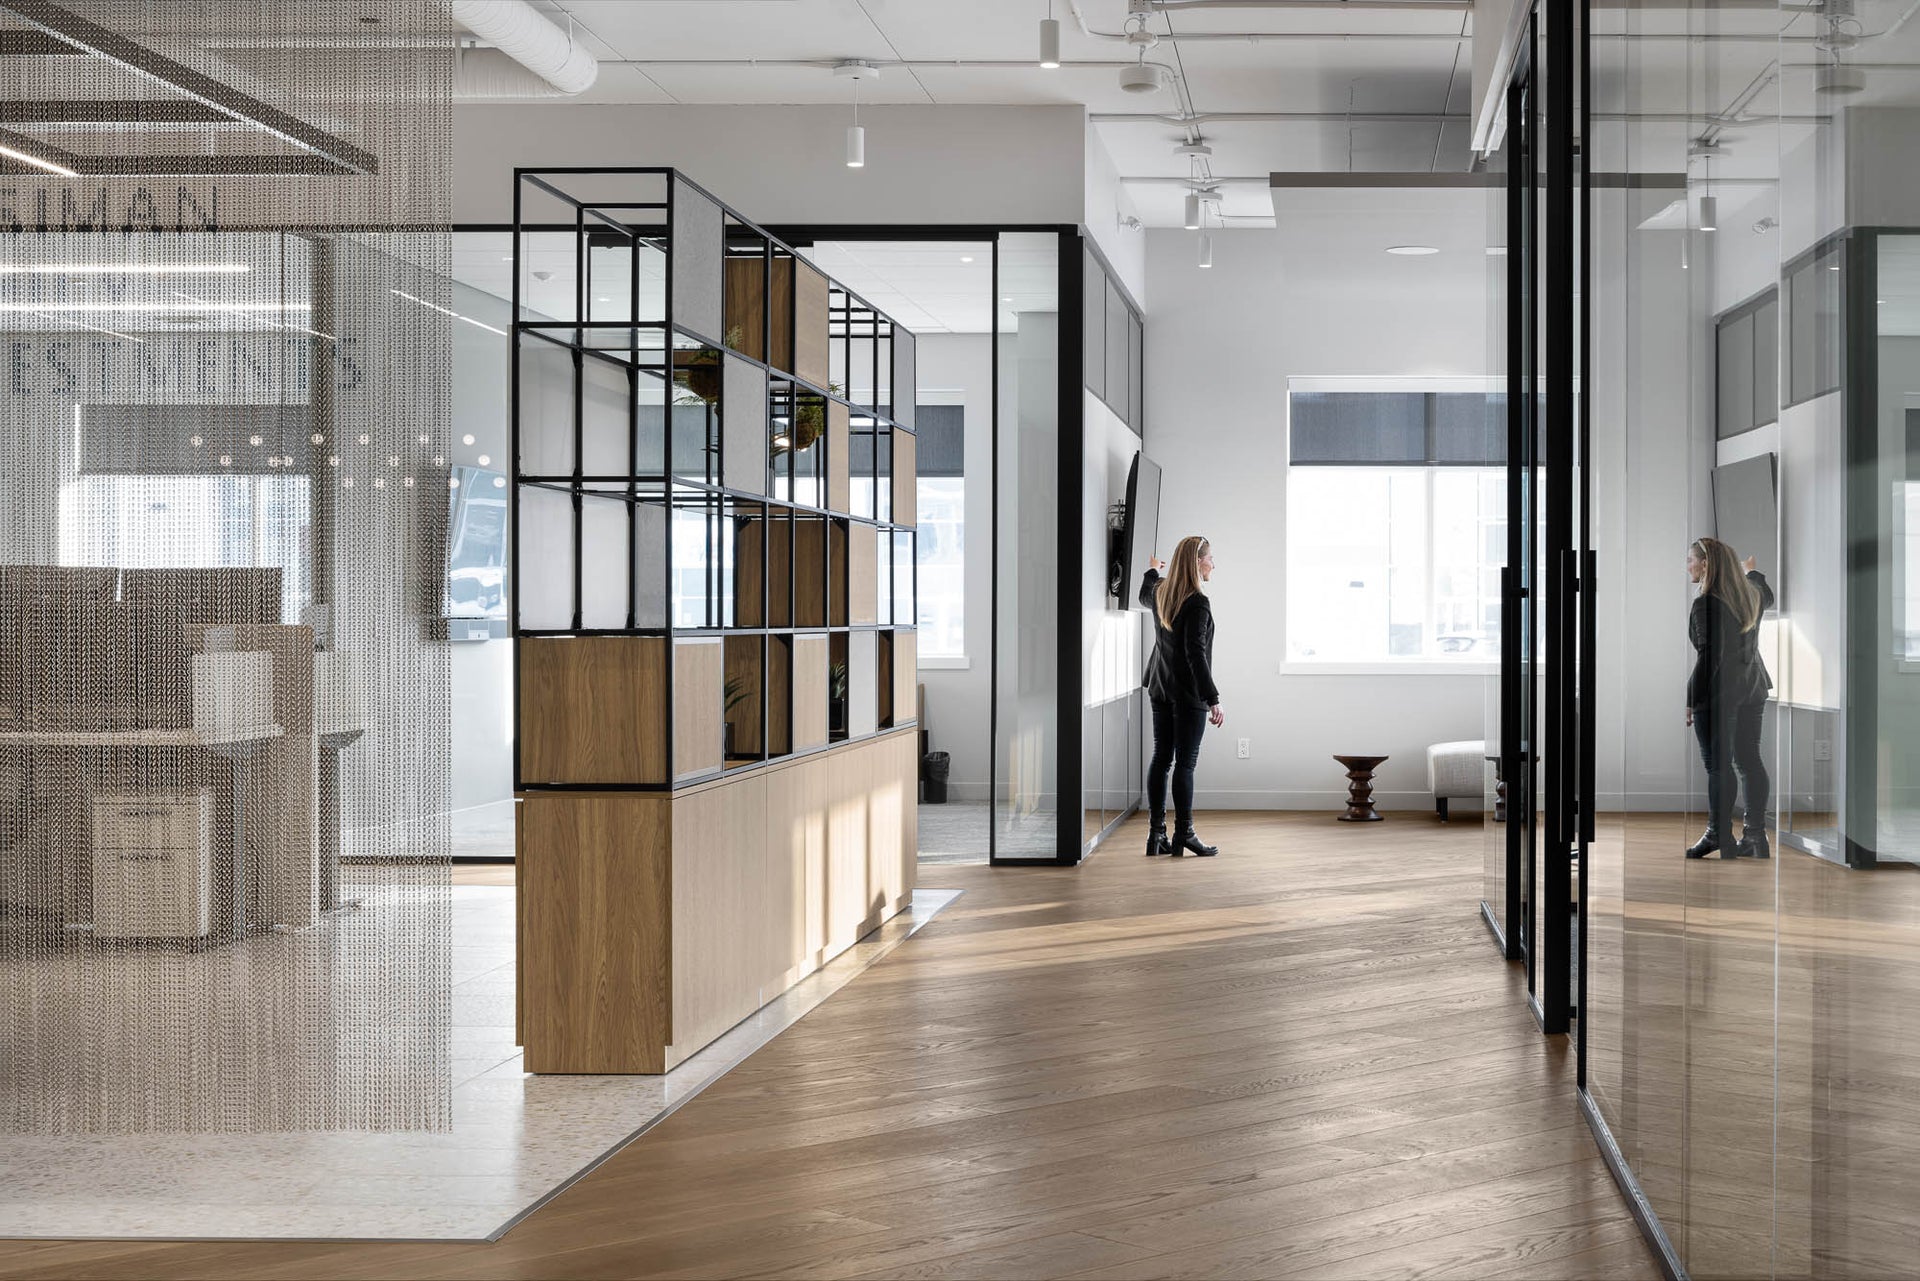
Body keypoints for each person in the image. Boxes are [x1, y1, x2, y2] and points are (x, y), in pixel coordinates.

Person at [1684, 537, 1775, 860]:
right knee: (1749, 762)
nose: (1689, 566)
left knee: (1718, 767)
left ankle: (1718, 834)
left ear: (1706, 565)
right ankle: (1755, 837)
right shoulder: (1749, 597)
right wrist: (1752, 571)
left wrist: (1691, 697)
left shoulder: (1706, 603)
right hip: (1753, 688)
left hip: (1720, 692)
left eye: (1691, 560)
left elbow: (1709, 657)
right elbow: (1767, 594)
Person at [1139, 535, 1224, 858]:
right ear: (1197, 562)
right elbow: (1195, 654)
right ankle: (1184, 834)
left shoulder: (1162, 592)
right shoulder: (1198, 602)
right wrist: (1213, 698)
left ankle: (1156, 835)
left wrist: (1151, 571)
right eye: (1210, 558)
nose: (1213, 564)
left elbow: (1143, 595)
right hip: (1187, 694)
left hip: (1159, 687)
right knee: (1185, 764)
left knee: (1162, 759)